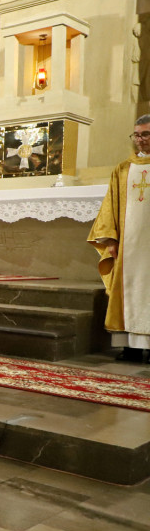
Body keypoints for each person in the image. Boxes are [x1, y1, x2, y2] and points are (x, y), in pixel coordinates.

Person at [88, 114, 150, 362]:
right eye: (136, 135)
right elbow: (110, 206)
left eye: (145, 134)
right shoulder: (123, 169)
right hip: (129, 247)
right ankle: (131, 348)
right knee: (129, 289)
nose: (140, 140)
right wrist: (111, 240)